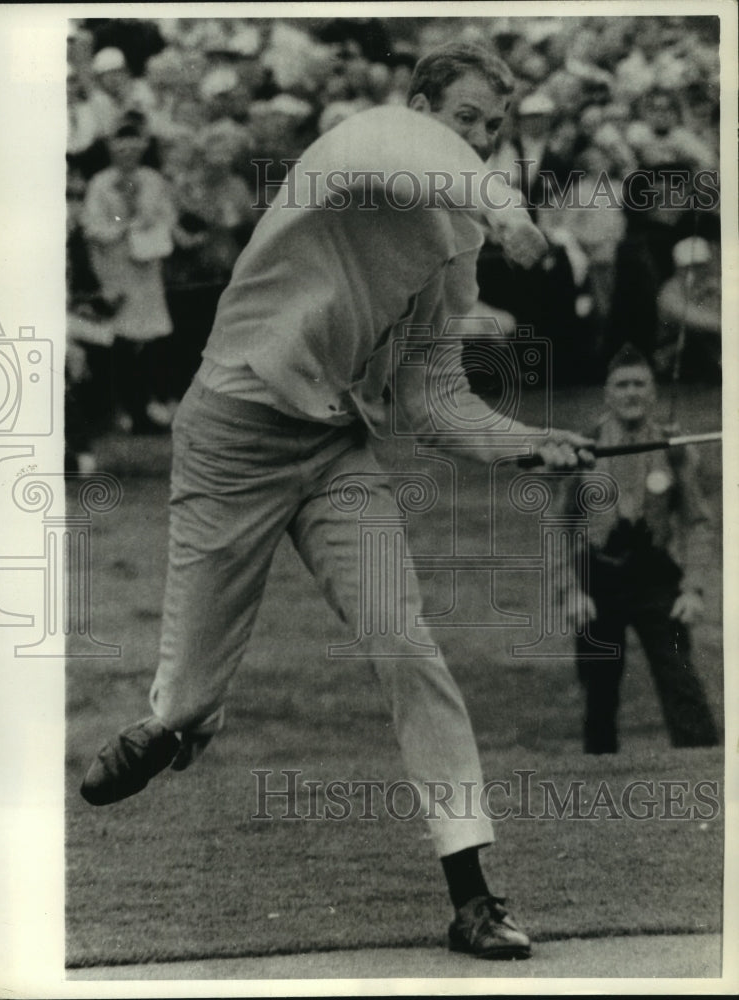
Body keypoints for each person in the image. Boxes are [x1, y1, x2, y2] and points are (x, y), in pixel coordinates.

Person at [80, 41, 595, 961]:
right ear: (420, 100)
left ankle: (473, 894)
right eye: (467, 118)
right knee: (192, 697)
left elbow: (431, 396)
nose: (478, 140)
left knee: (408, 646)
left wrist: (527, 443)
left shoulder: (458, 237)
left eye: (494, 129)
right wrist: (513, 212)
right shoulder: (362, 144)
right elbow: (424, 156)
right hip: (234, 428)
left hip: (333, 446)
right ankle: (180, 720)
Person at [564, 344, 719, 754]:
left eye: (640, 384)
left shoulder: (675, 446)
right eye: (622, 384)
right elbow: (559, 525)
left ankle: (705, 779)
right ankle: (599, 787)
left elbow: (698, 520)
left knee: (681, 682)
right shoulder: (584, 447)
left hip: (654, 579)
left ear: (652, 392)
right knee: (599, 694)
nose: (631, 393)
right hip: (599, 580)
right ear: (607, 393)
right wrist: (571, 590)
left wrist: (694, 588)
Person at [82, 121, 176, 433]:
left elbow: (166, 215)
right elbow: (92, 226)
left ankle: (152, 407)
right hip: (116, 268)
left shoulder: (152, 180)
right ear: (112, 150)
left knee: (151, 337)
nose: (128, 156)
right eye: (121, 150)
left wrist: (151, 225)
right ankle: (125, 409)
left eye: (134, 150)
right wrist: (124, 226)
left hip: (147, 267)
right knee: (120, 337)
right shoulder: (100, 183)